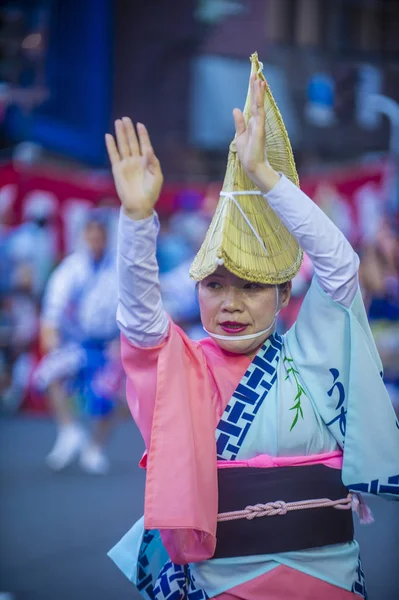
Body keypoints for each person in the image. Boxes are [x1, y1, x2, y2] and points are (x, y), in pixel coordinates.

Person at [106, 56, 399, 599]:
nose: (230, 303)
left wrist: (266, 177)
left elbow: (339, 265)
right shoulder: (186, 368)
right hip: (223, 586)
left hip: (328, 580)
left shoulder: (313, 353)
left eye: (250, 285)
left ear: (285, 293)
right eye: (214, 285)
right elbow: (142, 323)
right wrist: (137, 221)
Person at [34, 210, 124, 474]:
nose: (96, 239)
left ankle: (94, 448)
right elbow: (54, 304)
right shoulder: (72, 267)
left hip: (110, 344)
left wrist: (124, 342)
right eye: (91, 234)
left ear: (107, 236)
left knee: (109, 397)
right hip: (77, 343)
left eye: (101, 234)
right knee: (48, 373)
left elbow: (130, 306)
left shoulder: (118, 267)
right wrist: (50, 332)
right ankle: (69, 429)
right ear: (85, 235)